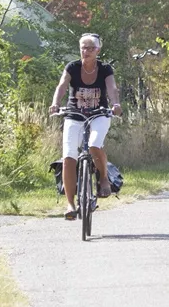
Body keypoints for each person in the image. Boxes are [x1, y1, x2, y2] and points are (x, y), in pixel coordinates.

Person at [49, 32, 122, 221]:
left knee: (94, 145)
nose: (86, 51)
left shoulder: (105, 69)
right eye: (83, 47)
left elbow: (112, 88)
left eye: (90, 48)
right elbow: (62, 85)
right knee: (68, 156)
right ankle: (70, 204)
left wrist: (115, 104)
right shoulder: (72, 67)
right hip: (74, 115)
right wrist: (56, 102)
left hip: (99, 114)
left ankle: (103, 178)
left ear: (98, 50)